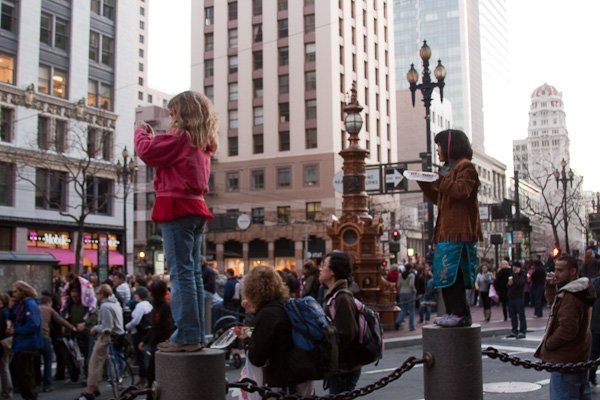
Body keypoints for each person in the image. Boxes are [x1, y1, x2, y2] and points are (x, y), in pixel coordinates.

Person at [135, 90, 218, 352]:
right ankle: (194, 334)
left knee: (181, 274)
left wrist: (141, 133)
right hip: (195, 207)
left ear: (183, 113)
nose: (171, 119)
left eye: (173, 113)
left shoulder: (181, 138)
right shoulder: (201, 141)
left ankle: (187, 336)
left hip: (176, 207)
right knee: (191, 272)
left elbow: (148, 152)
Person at [417, 129, 483, 327]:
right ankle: (454, 312)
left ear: (449, 146)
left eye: (439, 145)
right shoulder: (448, 169)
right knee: (444, 275)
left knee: (453, 275)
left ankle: (460, 313)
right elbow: (441, 198)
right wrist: (425, 182)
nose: (437, 150)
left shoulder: (466, 167)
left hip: (459, 232)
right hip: (447, 231)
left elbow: (461, 191)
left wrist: (439, 180)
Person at [240, 266, 313, 396]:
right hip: (303, 376)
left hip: (282, 383)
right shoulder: (288, 304)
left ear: (251, 289)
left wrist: (246, 338)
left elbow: (257, 358)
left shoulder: (267, 314)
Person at [534, 255, 596, 399]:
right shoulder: (580, 290)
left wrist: (549, 344)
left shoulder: (570, 295)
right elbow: (555, 305)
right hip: (579, 357)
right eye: (555, 269)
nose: (556, 273)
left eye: (560, 270)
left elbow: (568, 329)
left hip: (565, 360)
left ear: (573, 271)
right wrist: (550, 287)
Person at [320, 251, 361, 394]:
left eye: (323, 265)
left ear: (332, 271)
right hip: (339, 366)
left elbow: (347, 332)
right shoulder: (333, 295)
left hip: (344, 367)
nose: (320, 269)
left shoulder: (342, 298)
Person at [76, 284, 125, 400]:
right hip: (117, 335)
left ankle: (90, 390)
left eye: (97, 293)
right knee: (101, 362)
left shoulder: (105, 306)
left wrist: (95, 328)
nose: (96, 295)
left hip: (106, 337)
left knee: (94, 363)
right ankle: (95, 387)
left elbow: (107, 327)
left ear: (102, 294)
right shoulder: (115, 303)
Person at [139, 281, 175, 395]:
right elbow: (155, 327)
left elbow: (163, 327)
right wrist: (145, 340)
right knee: (153, 374)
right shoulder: (158, 307)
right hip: (158, 345)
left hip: (160, 345)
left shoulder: (163, 307)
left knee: (153, 374)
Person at [8, 281, 43, 400]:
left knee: (26, 375)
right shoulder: (20, 305)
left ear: (23, 291)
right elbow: (14, 317)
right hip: (20, 345)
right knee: (21, 375)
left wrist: (17, 330)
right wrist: (10, 308)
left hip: (28, 345)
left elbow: (33, 324)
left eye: (15, 291)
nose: (13, 294)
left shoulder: (30, 304)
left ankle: (31, 397)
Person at [39, 295, 76, 392]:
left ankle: (37, 380)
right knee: (48, 360)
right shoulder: (49, 309)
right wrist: (72, 328)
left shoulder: (36, 308)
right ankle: (48, 384)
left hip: (34, 337)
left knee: (36, 360)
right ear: (49, 302)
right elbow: (60, 320)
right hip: (44, 336)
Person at [125, 287, 153, 387]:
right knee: (145, 356)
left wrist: (127, 326)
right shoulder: (148, 304)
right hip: (146, 333)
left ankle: (143, 379)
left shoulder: (140, 306)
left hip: (139, 333)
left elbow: (136, 321)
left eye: (136, 294)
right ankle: (146, 378)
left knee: (141, 357)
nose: (134, 295)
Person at [506, 261, 528, 339]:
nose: (514, 268)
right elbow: (508, 286)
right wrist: (508, 284)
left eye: (516, 267)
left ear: (519, 268)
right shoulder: (512, 275)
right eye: (513, 267)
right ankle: (514, 330)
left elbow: (520, 283)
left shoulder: (523, 274)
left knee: (521, 315)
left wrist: (515, 275)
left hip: (519, 297)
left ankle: (522, 331)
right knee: (513, 316)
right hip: (511, 297)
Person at [394, 263, 416, 331]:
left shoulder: (400, 275)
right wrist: (414, 290)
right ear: (411, 268)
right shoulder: (411, 275)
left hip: (402, 292)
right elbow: (411, 284)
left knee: (403, 309)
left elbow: (398, 284)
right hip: (409, 292)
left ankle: (398, 322)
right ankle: (411, 327)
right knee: (411, 310)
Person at [0, 293, 13, 399]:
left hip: (3, 341)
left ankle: (7, 392)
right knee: (5, 366)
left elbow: (3, 328)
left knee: (4, 367)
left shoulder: (2, 313)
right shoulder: (7, 312)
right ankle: (7, 391)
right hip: (8, 341)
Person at [589, 275, 600, 386]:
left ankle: (590, 375)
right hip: (596, 324)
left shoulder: (594, 282)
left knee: (593, 353)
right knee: (594, 353)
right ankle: (590, 375)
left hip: (595, 325)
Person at [201, 258, 216, 335]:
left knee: (206, 315)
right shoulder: (205, 270)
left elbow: (211, 283)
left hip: (206, 293)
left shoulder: (208, 271)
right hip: (206, 292)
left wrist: (201, 287)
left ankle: (207, 333)